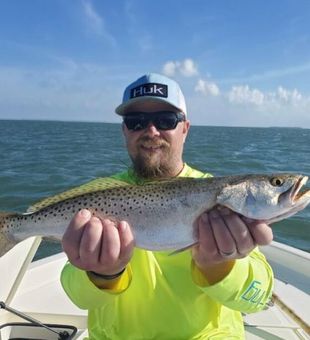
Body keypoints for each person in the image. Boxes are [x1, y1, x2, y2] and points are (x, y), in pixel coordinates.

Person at [61, 73, 274, 339]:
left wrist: (219, 266)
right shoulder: (100, 196)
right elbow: (76, 295)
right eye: (136, 122)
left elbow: (256, 296)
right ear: (124, 130)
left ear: (185, 128)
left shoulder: (218, 194)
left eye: (166, 120)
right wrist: (101, 274)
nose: (151, 131)